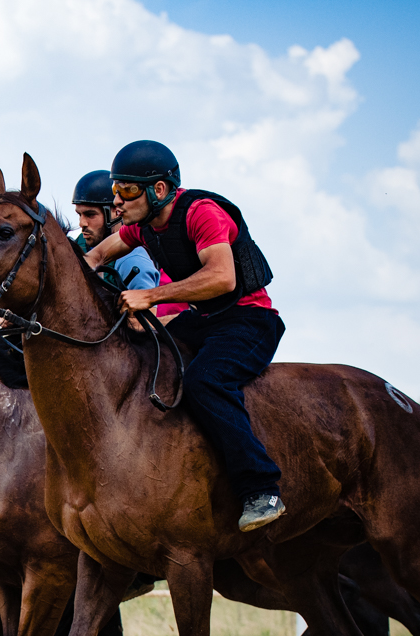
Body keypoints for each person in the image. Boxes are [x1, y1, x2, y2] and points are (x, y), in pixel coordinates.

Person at [85, 140, 285, 532]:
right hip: (207, 319)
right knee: (141, 358)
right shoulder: (143, 227)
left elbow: (222, 277)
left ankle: (261, 489)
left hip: (250, 320)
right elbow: (96, 256)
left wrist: (152, 296)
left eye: (126, 191)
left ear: (158, 190)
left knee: (204, 380)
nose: (117, 203)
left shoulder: (202, 213)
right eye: (114, 192)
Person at [71, 169, 158, 293]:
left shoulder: (132, 259)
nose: (82, 223)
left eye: (90, 215)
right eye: (79, 215)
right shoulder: (76, 245)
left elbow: (151, 311)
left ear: (116, 213)